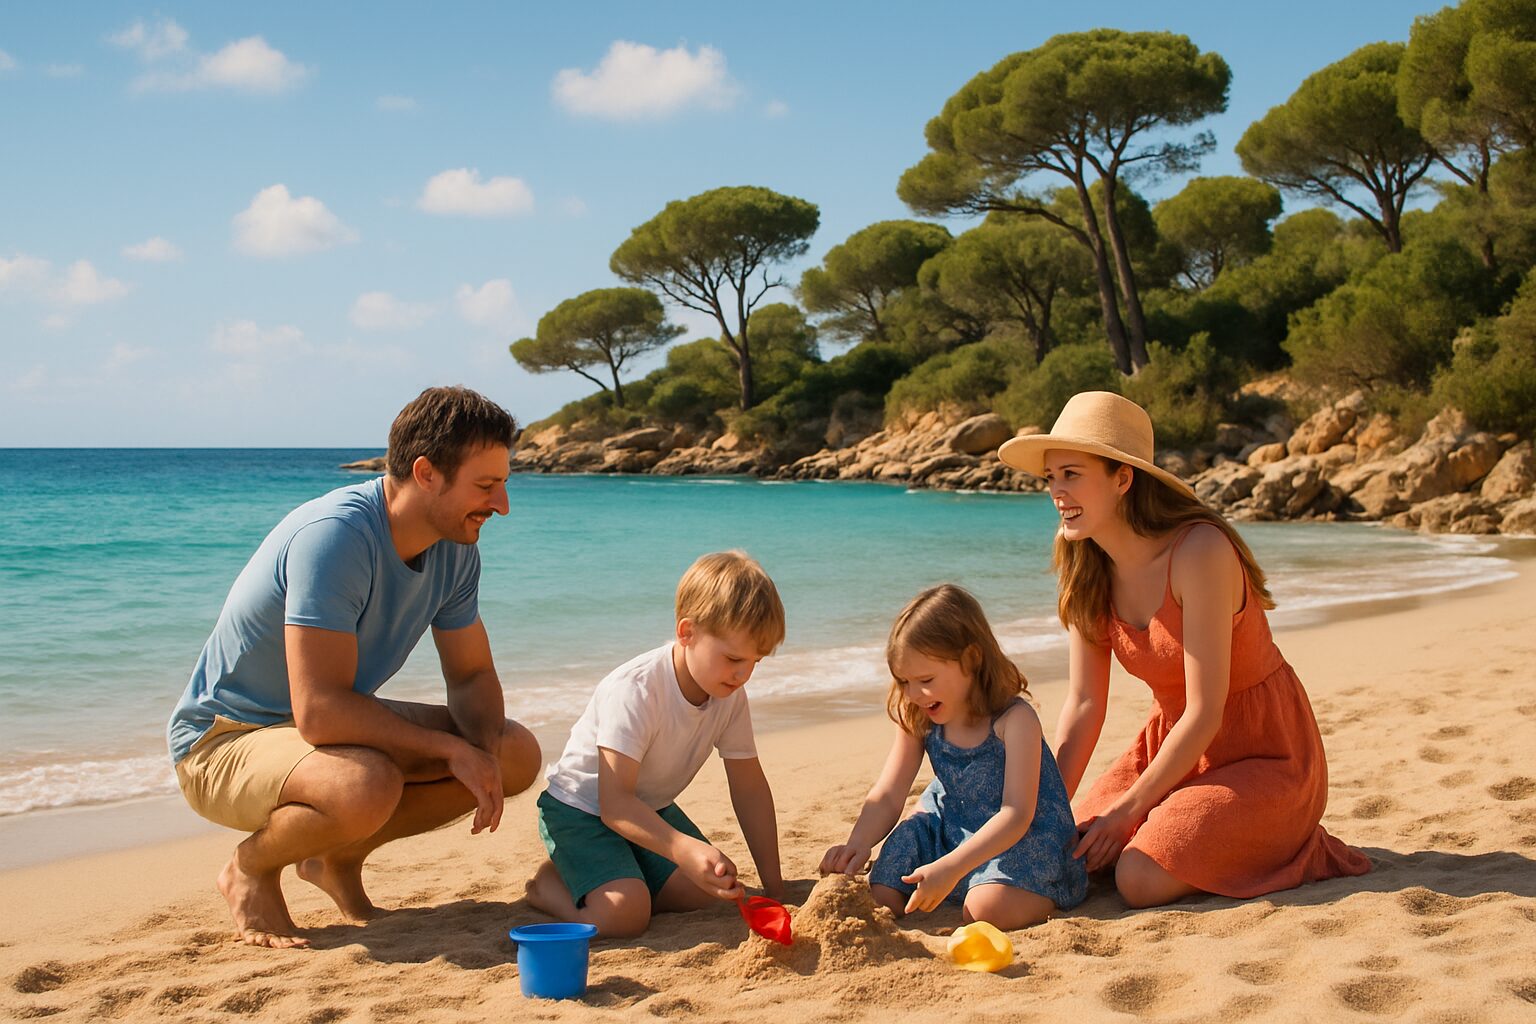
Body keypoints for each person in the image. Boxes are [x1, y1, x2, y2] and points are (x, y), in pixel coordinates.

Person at [166, 385, 541, 948]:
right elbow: (319, 711)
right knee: (365, 783)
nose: (501, 505)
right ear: (427, 473)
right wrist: (450, 750)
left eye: (503, 484)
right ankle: (250, 867)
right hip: (222, 741)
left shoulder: (456, 545)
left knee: (512, 753)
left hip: (312, 734)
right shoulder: (335, 536)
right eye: (486, 486)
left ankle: (336, 858)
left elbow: (470, 676)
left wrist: (480, 752)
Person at [997, 390, 1372, 909]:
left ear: (1122, 478)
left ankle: (1296, 849)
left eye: (1072, 474)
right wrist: (1041, 809)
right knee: (1073, 850)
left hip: (1265, 754)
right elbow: (1084, 705)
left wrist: (1130, 809)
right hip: (1169, 749)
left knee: (1139, 877)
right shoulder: (1087, 569)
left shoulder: (1199, 551)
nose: (1057, 492)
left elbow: (1205, 711)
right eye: (1051, 478)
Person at [525, 550, 786, 939]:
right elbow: (615, 806)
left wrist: (775, 889)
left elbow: (749, 789)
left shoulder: (730, 695)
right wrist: (683, 850)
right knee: (626, 916)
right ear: (687, 632)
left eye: (755, 662)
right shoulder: (636, 690)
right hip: (582, 810)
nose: (743, 674)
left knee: (717, 892)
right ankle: (548, 884)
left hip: (647, 809)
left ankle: (619, 874)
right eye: (733, 657)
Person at [820, 584, 1087, 930]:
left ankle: (976, 884)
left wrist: (951, 867)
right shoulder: (918, 713)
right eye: (904, 681)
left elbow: (1017, 815)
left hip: (1018, 838)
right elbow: (889, 793)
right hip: (951, 823)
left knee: (984, 911)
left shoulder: (1014, 720)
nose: (914, 694)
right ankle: (955, 879)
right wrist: (857, 844)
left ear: (972, 659)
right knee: (884, 893)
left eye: (925, 679)